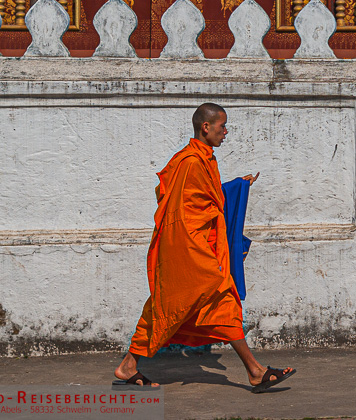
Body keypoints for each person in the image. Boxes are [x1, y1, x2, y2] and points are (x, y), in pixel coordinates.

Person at [113, 103, 294, 393]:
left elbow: (204, 199)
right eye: (222, 126)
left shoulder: (203, 159)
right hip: (190, 252)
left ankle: (255, 371)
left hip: (199, 249)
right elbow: (180, 215)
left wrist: (237, 186)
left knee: (208, 306)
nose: (226, 132)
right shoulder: (190, 162)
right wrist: (199, 255)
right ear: (205, 127)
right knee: (172, 306)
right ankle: (255, 371)